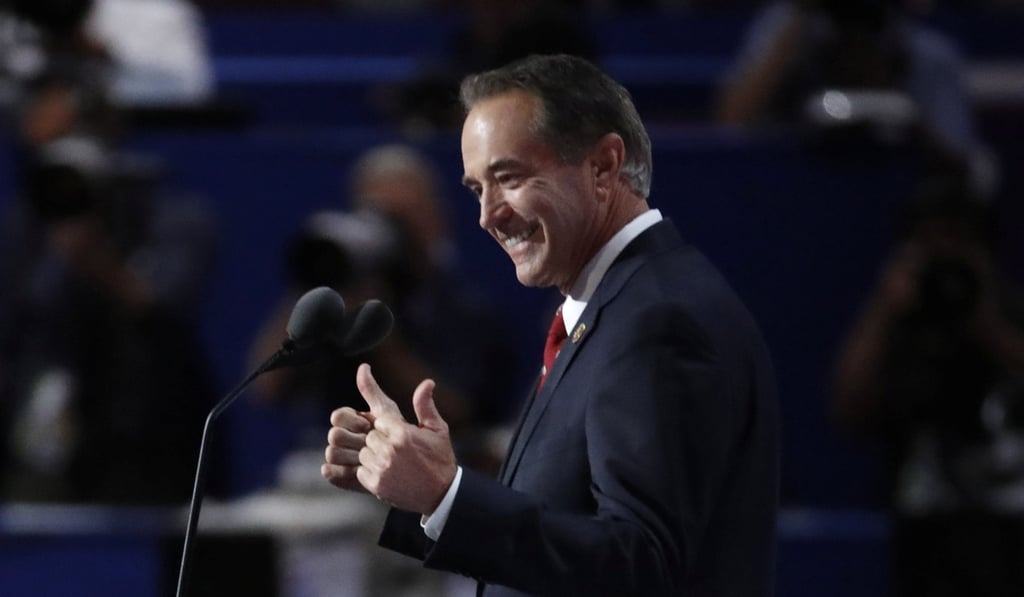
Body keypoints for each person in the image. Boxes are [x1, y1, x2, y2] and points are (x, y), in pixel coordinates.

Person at [321, 54, 779, 595]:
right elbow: (565, 524)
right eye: (475, 189)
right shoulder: (616, 305)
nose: (487, 216)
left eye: (508, 177)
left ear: (605, 166)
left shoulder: (658, 320)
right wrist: (416, 487)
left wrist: (447, 495)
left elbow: (642, 565)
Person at [833, 175, 1024, 596]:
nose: (945, 255)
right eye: (931, 243)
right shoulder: (902, 329)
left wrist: (984, 322)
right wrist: (885, 307)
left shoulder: (1010, 314)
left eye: (958, 240)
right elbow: (849, 405)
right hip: (927, 553)